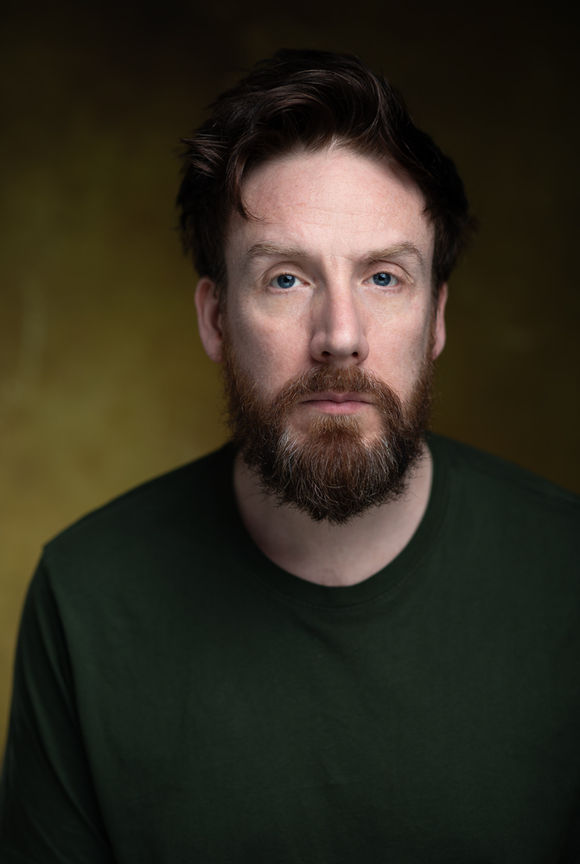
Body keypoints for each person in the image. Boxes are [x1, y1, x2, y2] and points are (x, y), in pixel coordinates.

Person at [0, 49, 578, 863]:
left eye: (383, 277)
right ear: (214, 319)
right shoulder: (88, 596)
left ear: (437, 318)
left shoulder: (566, 574)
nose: (339, 336)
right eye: (285, 280)